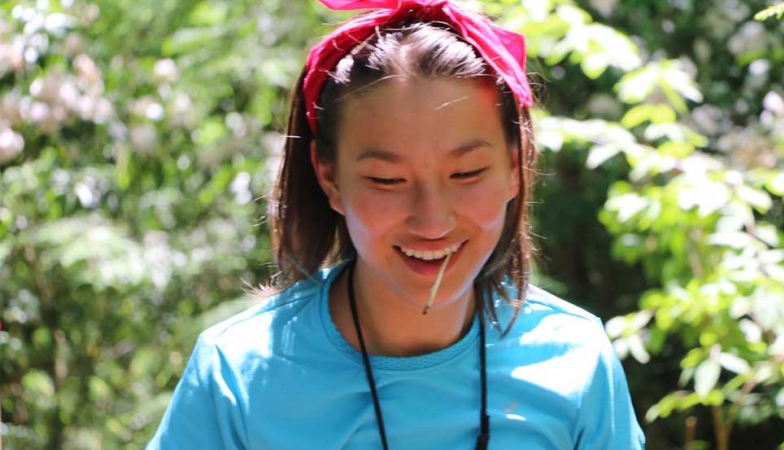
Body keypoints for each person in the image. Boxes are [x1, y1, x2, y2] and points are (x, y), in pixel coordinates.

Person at [146, 0, 646, 448]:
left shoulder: (576, 360)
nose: (432, 220)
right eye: (387, 179)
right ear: (329, 178)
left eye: (466, 173)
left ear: (516, 168)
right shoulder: (236, 374)